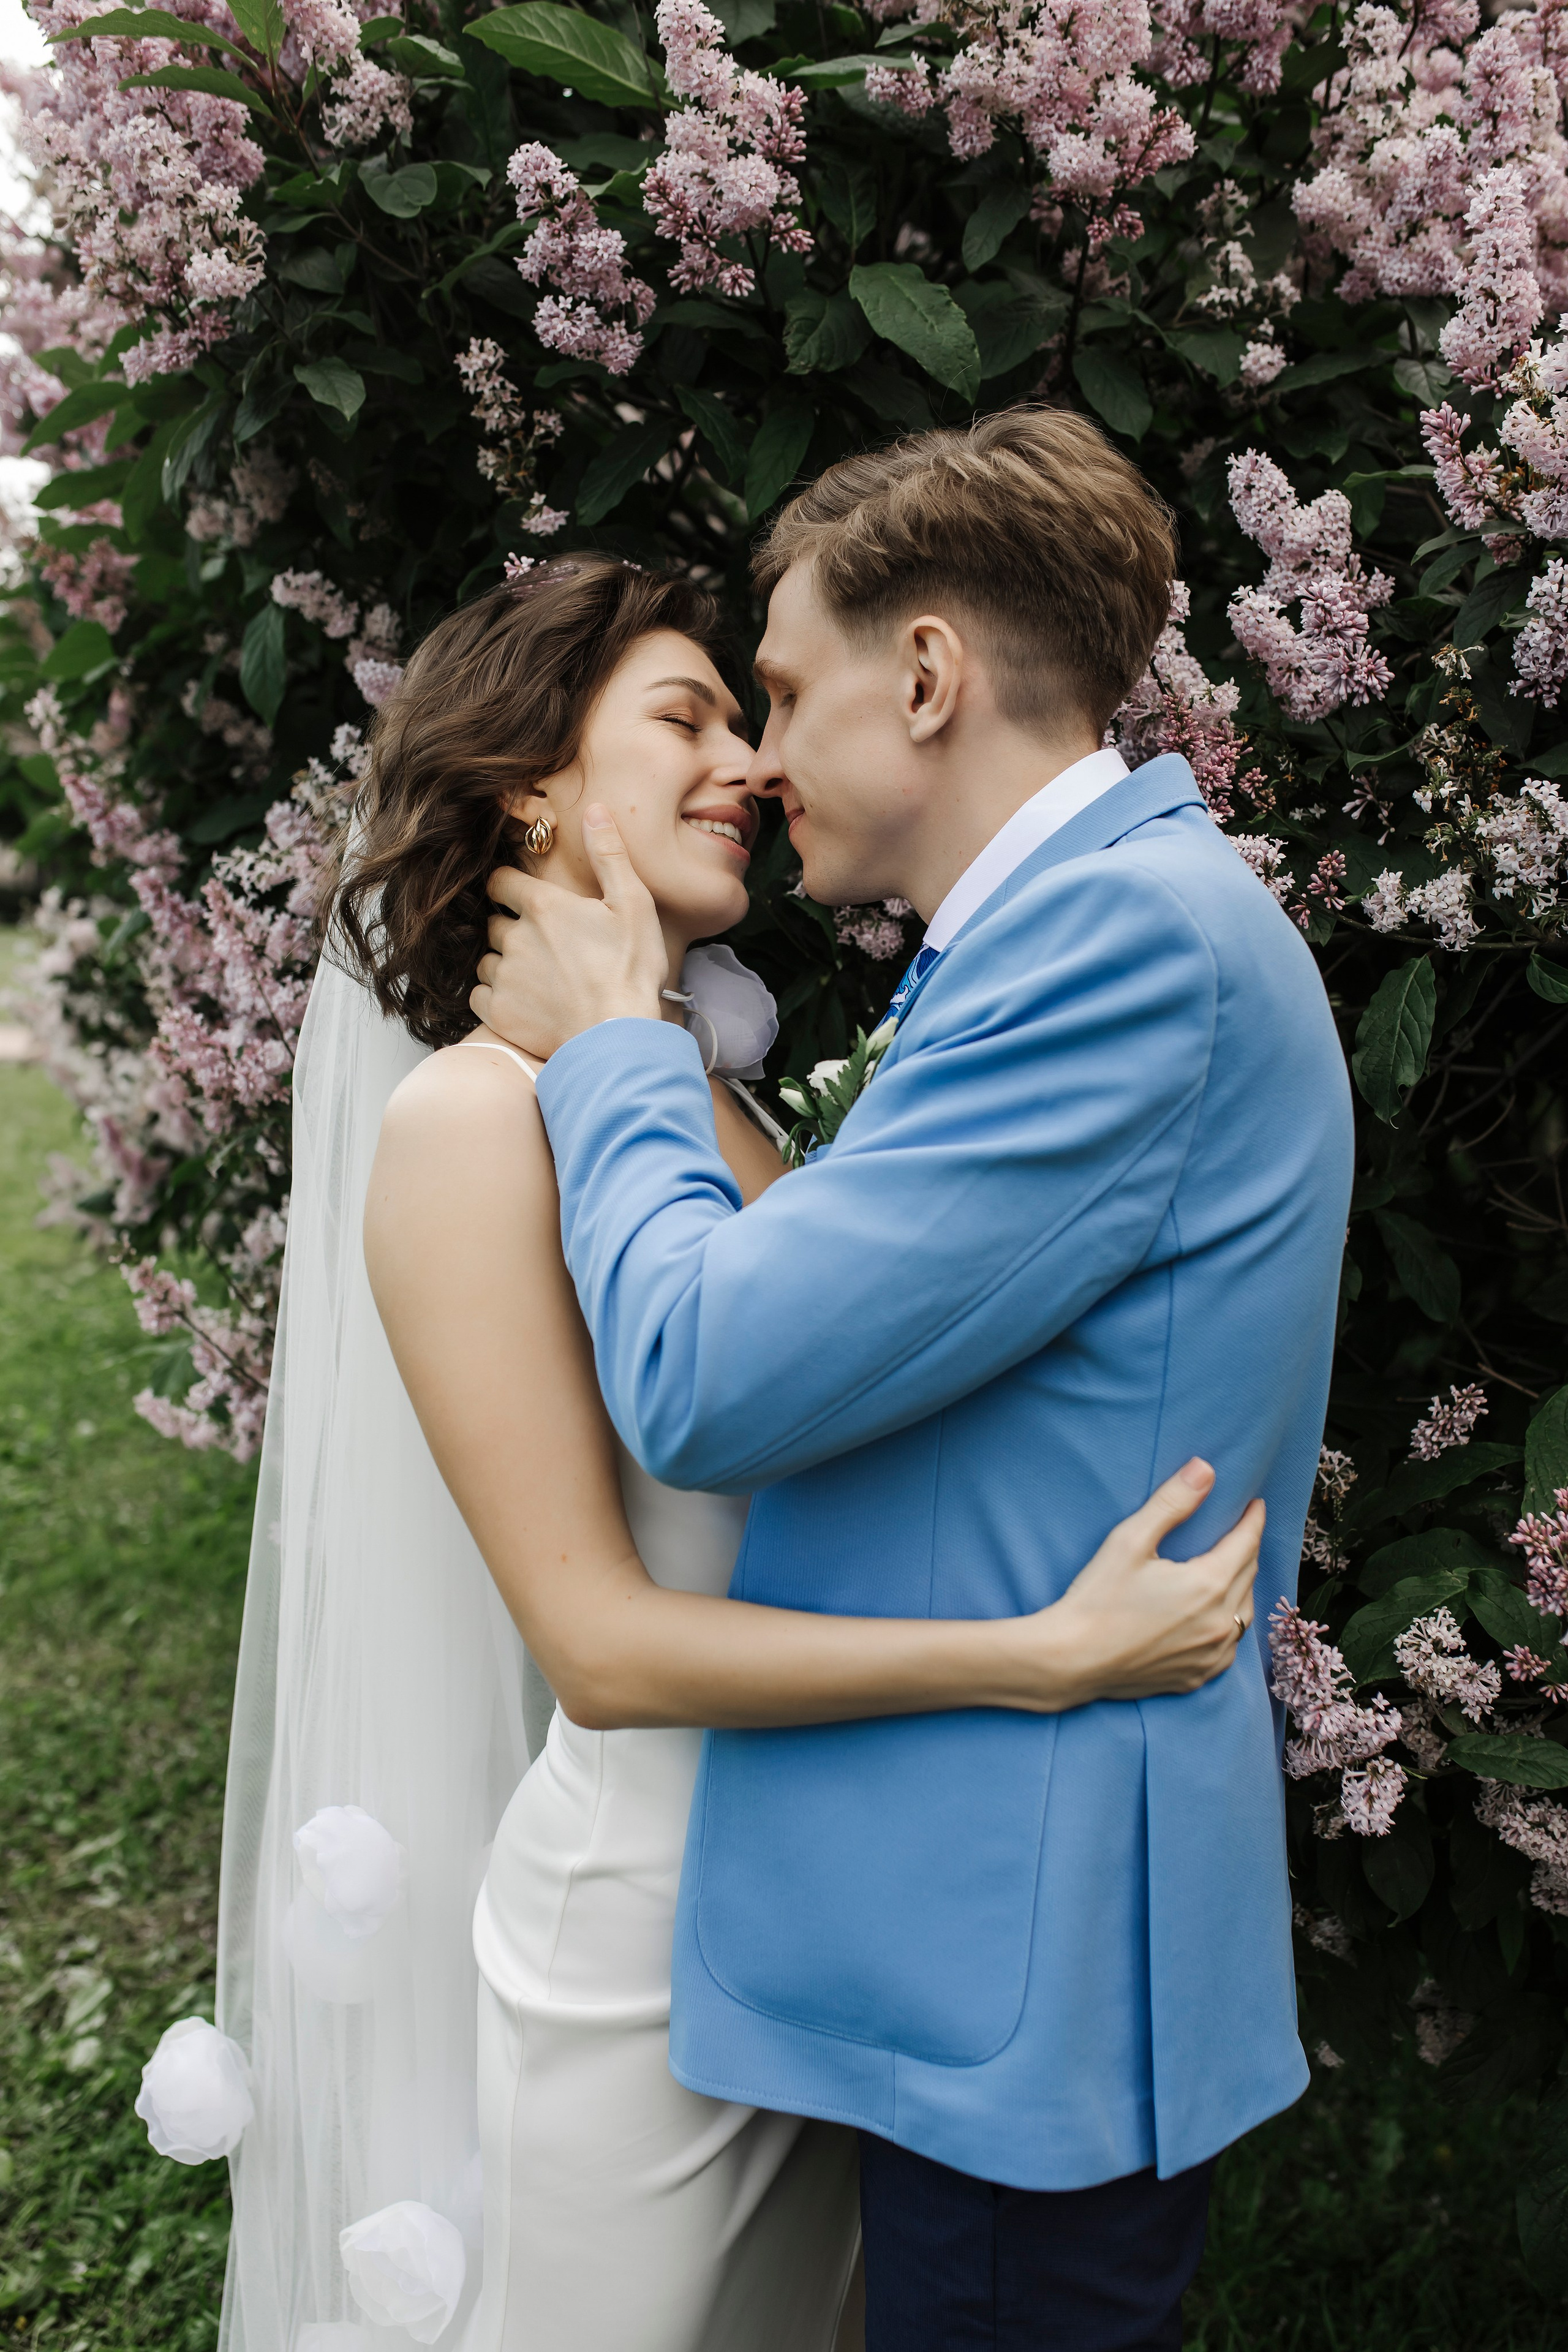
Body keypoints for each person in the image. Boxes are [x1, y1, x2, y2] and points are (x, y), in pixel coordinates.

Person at [212, 553, 1265, 2352]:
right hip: (637, 1959)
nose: (753, 768)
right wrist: (1032, 1661)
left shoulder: (694, 1092)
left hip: (823, 1931)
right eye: (689, 718)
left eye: (750, 714)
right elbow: (605, 1654)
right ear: (534, 785)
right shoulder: (478, 1128)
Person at [469, 412, 1357, 2352]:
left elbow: (703, 1377)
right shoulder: (1064, 934)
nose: (764, 756)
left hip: (1013, 1965)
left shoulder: (1119, 945)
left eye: (783, 688)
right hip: (973, 1930)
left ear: (931, 673)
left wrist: (619, 1050)